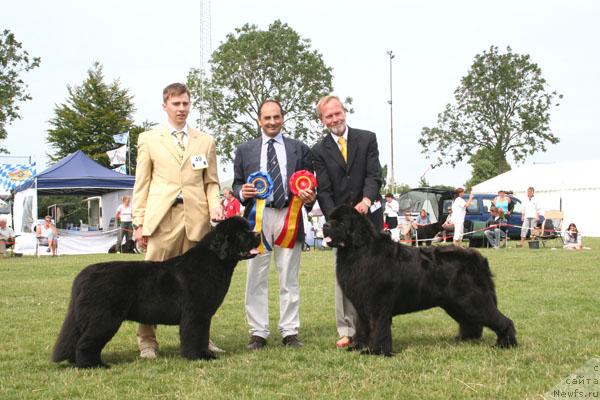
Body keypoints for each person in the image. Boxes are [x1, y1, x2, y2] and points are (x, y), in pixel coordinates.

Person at [132, 82, 223, 359]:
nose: (181, 109)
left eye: (185, 103)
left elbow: (212, 183)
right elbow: (142, 183)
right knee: (151, 282)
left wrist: (215, 206)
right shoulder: (149, 139)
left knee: (201, 286)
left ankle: (201, 340)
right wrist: (138, 223)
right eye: (176, 104)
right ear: (165, 106)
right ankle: (147, 340)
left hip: (197, 221)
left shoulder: (205, 141)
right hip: (162, 220)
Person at [233, 99, 315, 350]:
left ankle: (290, 330)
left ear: (283, 118)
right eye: (267, 118)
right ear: (259, 120)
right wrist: (242, 192)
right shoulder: (244, 150)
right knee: (255, 276)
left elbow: (310, 183)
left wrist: (310, 197)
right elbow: (236, 184)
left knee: (288, 276)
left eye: (276, 117)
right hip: (257, 218)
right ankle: (258, 332)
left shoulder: (299, 149)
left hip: (288, 215)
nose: (272, 122)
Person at [311, 94, 383, 349]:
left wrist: (366, 200)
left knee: (376, 274)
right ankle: (347, 329)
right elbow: (324, 190)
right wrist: (339, 219)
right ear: (322, 120)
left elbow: (374, 175)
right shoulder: (318, 151)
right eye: (328, 116)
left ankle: (377, 326)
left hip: (370, 218)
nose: (334, 119)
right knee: (345, 276)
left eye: (337, 113)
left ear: (344, 112)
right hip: (342, 225)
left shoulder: (367, 138)